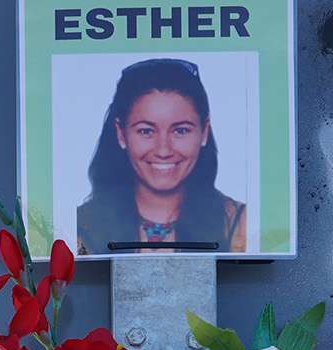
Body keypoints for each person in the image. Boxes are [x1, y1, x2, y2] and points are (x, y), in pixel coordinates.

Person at [75, 57, 246, 254]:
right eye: (146, 131)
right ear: (121, 134)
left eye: (180, 130)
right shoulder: (81, 226)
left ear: (204, 131)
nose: (163, 150)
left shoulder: (239, 224)